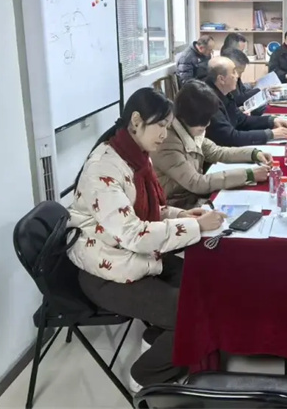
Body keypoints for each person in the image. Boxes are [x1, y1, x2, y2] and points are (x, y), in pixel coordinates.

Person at [67, 88, 225, 391]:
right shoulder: (103, 169)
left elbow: (151, 210)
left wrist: (183, 215)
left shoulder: (135, 157)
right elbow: (134, 234)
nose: (165, 134)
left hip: (134, 258)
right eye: (161, 125)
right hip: (108, 272)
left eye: (168, 125)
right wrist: (195, 226)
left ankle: (157, 339)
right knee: (193, 311)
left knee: (203, 282)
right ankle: (145, 377)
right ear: (136, 121)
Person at [152, 80, 272, 208]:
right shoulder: (167, 143)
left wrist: (253, 154)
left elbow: (217, 152)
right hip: (178, 205)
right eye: (206, 119)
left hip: (193, 198)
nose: (208, 124)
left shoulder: (188, 128)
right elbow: (196, 183)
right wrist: (248, 175)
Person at [205, 56, 287, 147]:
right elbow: (230, 137)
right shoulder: (209, 101)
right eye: (234, 72)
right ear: (221, 79)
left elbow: (242, 120)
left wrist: (271, 121)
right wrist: (270, 134)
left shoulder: (225, 94)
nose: (237, 76)